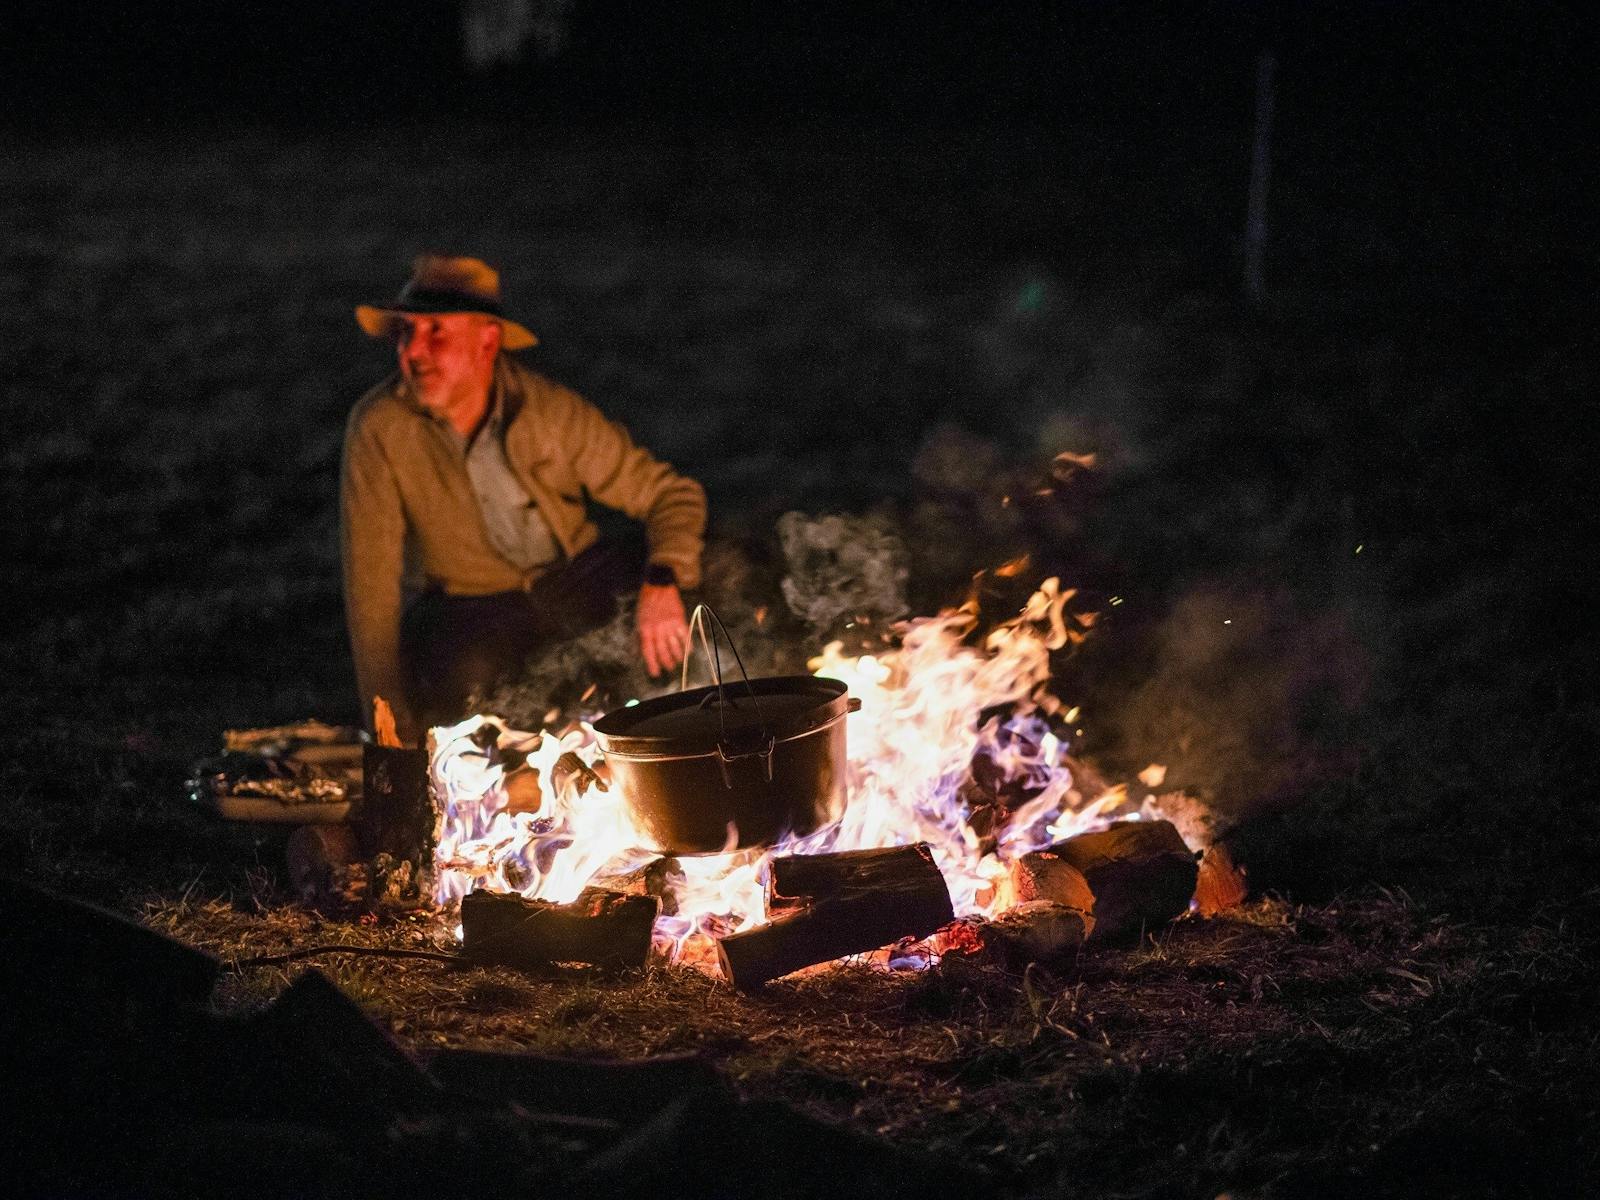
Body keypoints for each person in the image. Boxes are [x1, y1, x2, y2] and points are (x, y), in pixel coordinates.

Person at [342, 255, 704, 741]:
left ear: (487, 340)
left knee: (694, 601)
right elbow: (371, 584)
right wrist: (385, 715)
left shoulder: (546, 412)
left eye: (437, 332)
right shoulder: (381, 429)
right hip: (473, 604)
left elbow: (669, 495)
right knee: (462, 683)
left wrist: (663, 578)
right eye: (407, 332)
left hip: (573, 578)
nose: (414, 352)